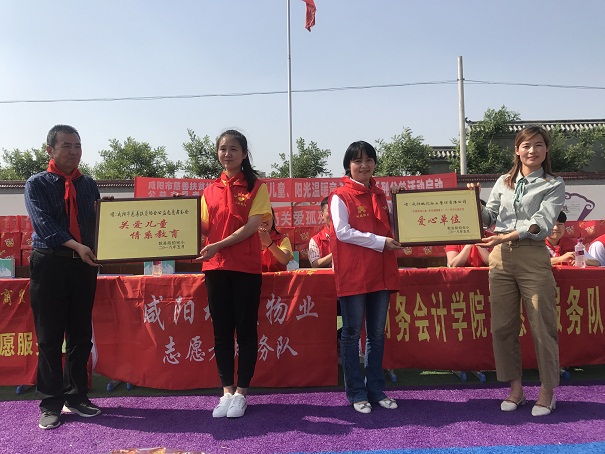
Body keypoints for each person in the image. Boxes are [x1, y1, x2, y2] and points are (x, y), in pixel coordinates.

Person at [472, 125, 565, 417]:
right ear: (516, 150)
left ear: (546, 150)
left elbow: (542, 223)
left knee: (542, 325)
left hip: (532, 256)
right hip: (499, 258)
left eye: (538, 145)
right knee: (502, 326)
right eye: (526, 145)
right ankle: (516, 390)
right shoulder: (503, 181)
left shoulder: (553, 184)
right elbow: (489, 217)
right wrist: (472, 202)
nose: (532, 151)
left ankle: (547, 392)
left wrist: (505, 236)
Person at [24, 125, 102, 430]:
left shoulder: (88, 184)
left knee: (81, 335)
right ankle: (50, 403)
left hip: (83, 266)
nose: (74, 151)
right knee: (50, 337)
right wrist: (78, 246)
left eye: (78, 146)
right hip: (50, 264)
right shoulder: (37, 184)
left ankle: (76, 396)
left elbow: (98, 224)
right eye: (66, 145)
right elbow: (44, 225)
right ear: (50, 150)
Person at [196, 129, 272, 418]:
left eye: (233, 149)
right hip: (215, 268)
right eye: (222, 149)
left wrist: (218, 245)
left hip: (245, 268)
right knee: (222, 331)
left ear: (244, 154)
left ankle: (242, 392)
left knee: (246, 330)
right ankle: (226, 391)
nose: (227, 154)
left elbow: (252, 227)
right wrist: (181, 215)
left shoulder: (256, 187)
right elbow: (204, 227)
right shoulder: (209, 191)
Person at [330, 141, 402, 414]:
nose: (364, 165)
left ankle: (376, 390)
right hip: (354, 275)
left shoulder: (381, 195)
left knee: (376, 334)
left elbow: (394, 226)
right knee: (351, 335)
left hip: (380, 272)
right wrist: (380, 242)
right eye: (357, 161)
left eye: (369, 160)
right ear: (348, 165)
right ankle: (356, 392)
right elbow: (342, 232)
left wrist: (399, 205)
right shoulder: (340, 196)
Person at [446, 200, 491, 267]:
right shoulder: (454, 239)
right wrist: (468, 245)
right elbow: (453, 265)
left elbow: (493, 263)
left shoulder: (492, 237)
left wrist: (479, 244)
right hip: (462, 274)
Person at [308, 197, 333, 268]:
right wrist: (335, 254)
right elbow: (315, 264)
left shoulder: (348, 235)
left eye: (336, 211)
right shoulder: (315, 240)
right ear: (322, 215)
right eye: (329, 211)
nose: (333, 215)